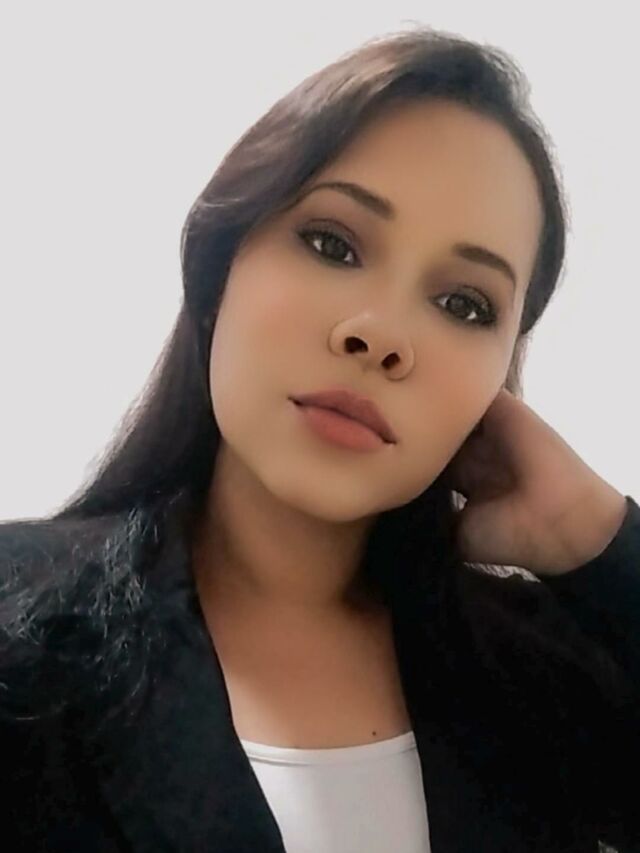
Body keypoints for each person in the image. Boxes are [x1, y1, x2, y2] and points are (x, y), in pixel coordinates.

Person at [2, 24, 639, 853]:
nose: (381, 335)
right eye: (332, 243)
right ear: (217, 274)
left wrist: (596, 535)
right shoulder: (20, 626)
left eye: (464, 304)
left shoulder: (544, 677)